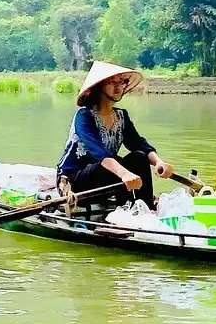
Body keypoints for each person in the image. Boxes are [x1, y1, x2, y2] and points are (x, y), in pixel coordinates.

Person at [56, 61, 174, 217]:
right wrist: (125, 174)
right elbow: (99, 152)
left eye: (122, 82)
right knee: (109, 164)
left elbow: (138, 143)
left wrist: (159, 162)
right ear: (99, 86)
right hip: (75, 181)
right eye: (113, 82)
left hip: (105, 177)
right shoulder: (84, 116)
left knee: (138, 156)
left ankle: (145, 209)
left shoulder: (121, 116)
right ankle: (123, 212)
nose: (119, 87)